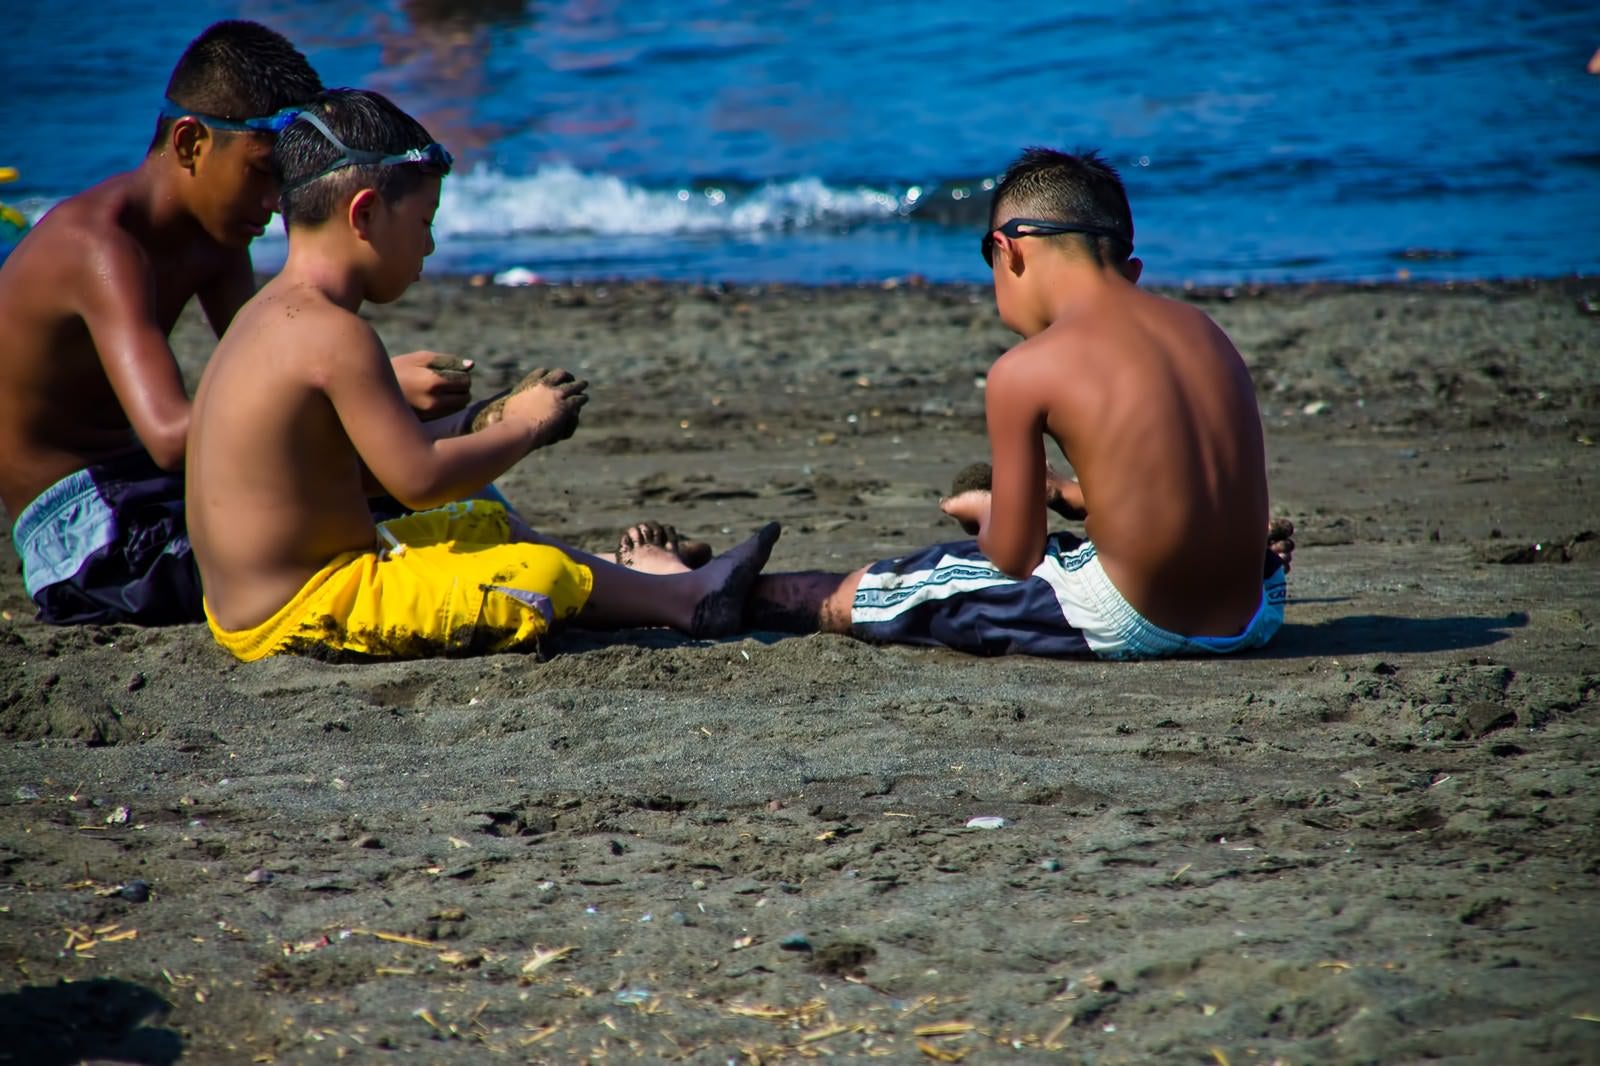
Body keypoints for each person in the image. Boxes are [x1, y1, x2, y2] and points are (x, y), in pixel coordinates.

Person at [187, 88, 779, 662]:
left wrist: (478, 419)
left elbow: (341, 470)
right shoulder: (335, 335)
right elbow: (415, 482)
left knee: (484, 522)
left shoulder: (263, 315)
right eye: (423, 221)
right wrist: (523, 426)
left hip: (254, 602)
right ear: (365, 213)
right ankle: (683, 600)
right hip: (304, 608)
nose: (431, 244)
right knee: (536, 577)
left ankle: (662, 586)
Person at [0, 20, 476, 627]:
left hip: (155, 488)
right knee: (321, 544)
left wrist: (374, 399)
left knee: (399, 497)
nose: (277, 202)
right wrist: (384, 382)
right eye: (261, 172)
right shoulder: (101, 246)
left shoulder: (218, 238)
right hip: (82, 526)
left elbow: (281, 373)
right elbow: (172, 437)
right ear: (190, 143)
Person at [746, 147, 1290, 659]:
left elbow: (1013, 558)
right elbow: (1169, 475)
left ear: (1009, 250)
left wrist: (992, 515)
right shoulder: (1205, 331)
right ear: (1132, 270)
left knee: (935, 577)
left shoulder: (1027, 368)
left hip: (1137, 618)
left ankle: (685, 596)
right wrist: (1064, 493)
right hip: (1254, 613)